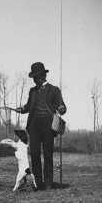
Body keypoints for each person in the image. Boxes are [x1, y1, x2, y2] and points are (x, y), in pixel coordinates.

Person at [15, 62, 66, 191]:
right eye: (33, 77)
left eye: (37, 76)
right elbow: (28, 106)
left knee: (48, 155)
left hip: (48, 127)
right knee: (35, 155)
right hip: (33, 127)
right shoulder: (32, 91)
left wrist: (61, 108)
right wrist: (22, 109)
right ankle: (38, 183)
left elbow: (63, 107)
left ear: (43, 75)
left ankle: (48, 184)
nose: (35, 79)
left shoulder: (54, 90)